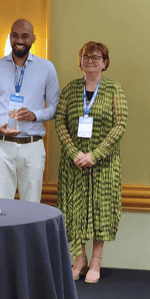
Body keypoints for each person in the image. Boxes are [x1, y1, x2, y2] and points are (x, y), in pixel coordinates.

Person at [55, 41, 128, 283]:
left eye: (96, 57)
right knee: (75, 211)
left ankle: (96, 260)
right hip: (74, 163)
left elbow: (120, 125)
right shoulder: (70, 89)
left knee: (100, 211)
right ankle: (80, 257)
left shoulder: (114, 90)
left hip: (103, 165)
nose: (90, 61)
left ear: (105, 62)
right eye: (86, 57)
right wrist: (75, 152)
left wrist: (94, 155)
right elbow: (60, 123)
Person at [0, 19, 59, 203]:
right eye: (15, 35)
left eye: (25, 36)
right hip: (2, 145)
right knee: (1, 204)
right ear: (9, 38)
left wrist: (35, 115)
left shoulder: (47, 68)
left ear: (33, 38)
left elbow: (55, 107)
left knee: (31, 206)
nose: (19, 40)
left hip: (33, 145)